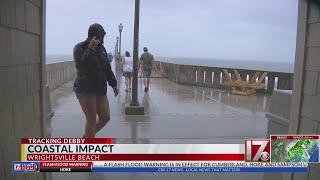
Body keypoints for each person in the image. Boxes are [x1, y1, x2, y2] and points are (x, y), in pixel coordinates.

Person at [73, 23, 119, 138]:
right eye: (99, 36)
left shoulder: (102, 49)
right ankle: (89, 145)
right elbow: (81, 66)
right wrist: (91, 49)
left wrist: (113, 84)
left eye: (102, 36)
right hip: (85, 88)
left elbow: (107, 68)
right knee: (91, 120)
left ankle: (88, 136)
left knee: (105, 117)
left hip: (100, 88)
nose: (101, 39)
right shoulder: (80, 47)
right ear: (92, 36)